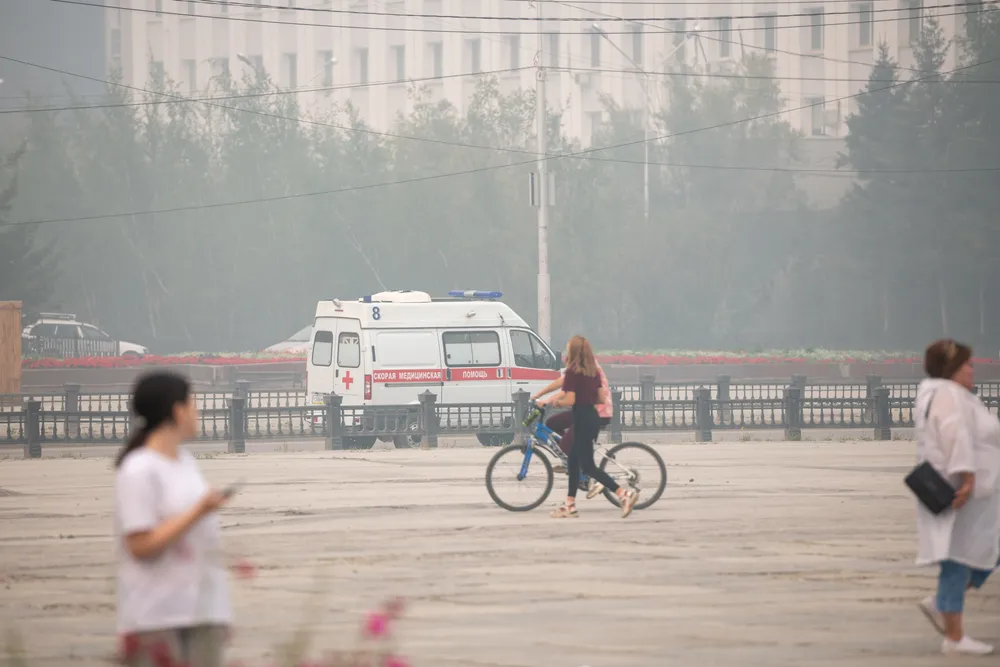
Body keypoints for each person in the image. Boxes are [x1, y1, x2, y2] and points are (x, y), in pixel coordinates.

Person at [114, 372, 233, 667]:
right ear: (177, 410)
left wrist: (219, 610)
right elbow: (140, 544)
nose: (198, 412)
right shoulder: (138, 470)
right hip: (157, 618)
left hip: (201, 613)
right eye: (193, 405)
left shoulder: (186, 463)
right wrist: (199, 511)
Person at [913, 339, 1000, 656]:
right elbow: (955, 435)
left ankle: (942, 605)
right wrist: (967, 477)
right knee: (957, 559)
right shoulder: (949, 396)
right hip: (962, 492)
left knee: (980, 552)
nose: (971, 369)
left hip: (972, 491)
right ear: (952, 369)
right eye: (967, 364)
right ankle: (954, 635)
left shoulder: (941, 393)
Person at [543, 335, 638, 519]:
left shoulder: (572, 372)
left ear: (573, 351)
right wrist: (585, 399)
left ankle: (623, 494)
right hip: (592, 418)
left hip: (582, 420)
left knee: (588, 467)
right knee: (572, 462)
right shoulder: (592, 371)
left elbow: (569, 399)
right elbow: (601, 398)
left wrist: (557, 403)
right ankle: (570, 505)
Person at [532, 360, 613, 483]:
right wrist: (538, 394)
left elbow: (566, 392)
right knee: (552, 423)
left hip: (597, 413)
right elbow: (563, 381)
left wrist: (547, 401)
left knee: (565, 444)